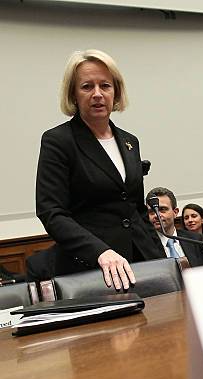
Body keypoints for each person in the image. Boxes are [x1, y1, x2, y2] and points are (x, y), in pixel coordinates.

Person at [35, 49, 164, 291]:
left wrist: (161, 259)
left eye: (105, 85)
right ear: (73, 93)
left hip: (142, 262)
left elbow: (136, 210)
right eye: (86, 86)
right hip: (92, 269)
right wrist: (101, 252)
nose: (97, 94)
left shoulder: (129, 141)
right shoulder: (58, 141)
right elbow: (51, 212)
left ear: (116, 92)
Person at [146, 188, 203, 267]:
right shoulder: (145, 245)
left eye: (162, 209)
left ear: (175, 212)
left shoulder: (195, 239)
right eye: (151, 211)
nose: (156, 215)